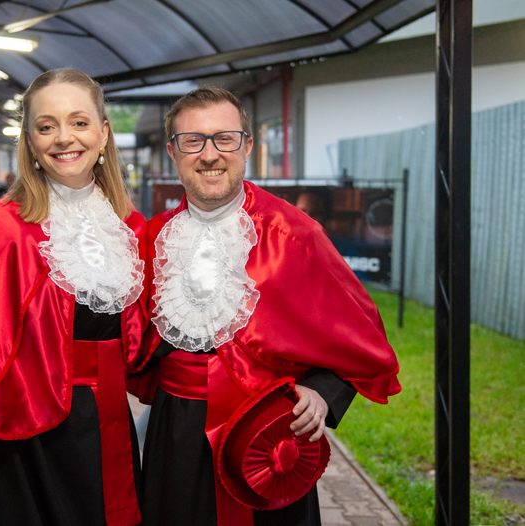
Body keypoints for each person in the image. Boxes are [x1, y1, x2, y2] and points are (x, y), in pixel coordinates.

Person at [129, 88, 401, 526]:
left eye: (225, 138)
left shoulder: (294, 234)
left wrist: (323, 392)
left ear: (248, 146)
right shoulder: (153, 237)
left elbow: (362, 333)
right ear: (173, 153)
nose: (210, 155)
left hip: (266, 438)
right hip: (173, 435)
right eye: (193, 141)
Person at [0, 68, 147, 526]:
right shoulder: (0, 228)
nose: (64, 138)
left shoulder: (131, 227)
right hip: (25, 442)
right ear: (29, 142)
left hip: (110, 429)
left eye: (79, 122)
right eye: (47, 126)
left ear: (104, 133)